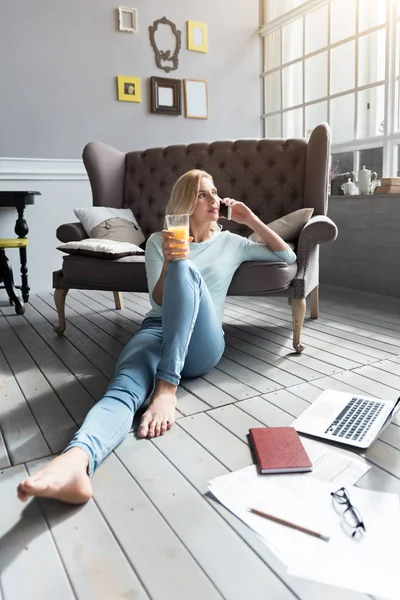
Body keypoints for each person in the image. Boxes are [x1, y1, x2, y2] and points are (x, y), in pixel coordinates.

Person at [17, 169, 296, 505]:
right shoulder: (157, 242)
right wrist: (168, 260)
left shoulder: (232, 244)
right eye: (203, 194)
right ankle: (77, 460)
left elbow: (286, 257)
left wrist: (249, 219)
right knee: (123, 389)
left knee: (185, 267)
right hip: (156, 329)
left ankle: (167, 386)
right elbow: (159, 301)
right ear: (185, 204)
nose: (214, 200)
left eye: (215, 193)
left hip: (202, 342)